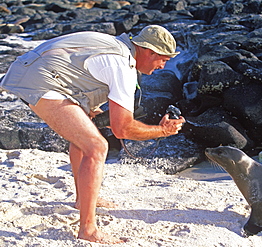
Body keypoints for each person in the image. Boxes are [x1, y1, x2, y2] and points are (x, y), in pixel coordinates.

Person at [0, 25, 186, 244]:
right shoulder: (122, 64)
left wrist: (95, 113)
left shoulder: (113, 45)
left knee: (86, 135)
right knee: (96, 147)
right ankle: (88, 230)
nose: (163, 66)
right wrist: (163, 131)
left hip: (31, 70)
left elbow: (74, 68)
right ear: (149, 52)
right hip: (40, 80)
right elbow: (122, 129)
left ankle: (82, 199)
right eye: (163, 59)